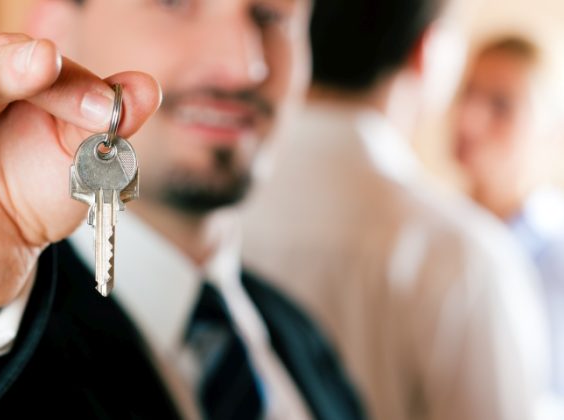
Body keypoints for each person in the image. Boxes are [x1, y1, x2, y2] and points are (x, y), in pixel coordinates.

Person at [0, 0, 363, 418]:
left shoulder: (302, 339)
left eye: (274, 15)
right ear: (56, 27)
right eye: (176, 3)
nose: (244, 66)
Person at [241, 1, 551, 419]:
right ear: (428, 50)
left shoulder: (211, 212)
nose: (472, 119)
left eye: (501, 104)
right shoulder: (463, 259)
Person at [453, 34, 564, 399]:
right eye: (466, 93)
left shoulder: (556, 255)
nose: (468, 119)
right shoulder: (430, 231)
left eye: (502, 105)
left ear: (554, 130)